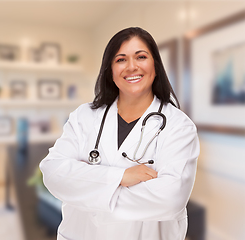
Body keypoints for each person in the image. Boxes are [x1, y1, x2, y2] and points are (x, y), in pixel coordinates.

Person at [39, 27, 200, 240]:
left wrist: (87, 188)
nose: (131, 67)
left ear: (155, 65)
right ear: (110, 70)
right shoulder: (84, 116)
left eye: (141, 57)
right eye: (121, 60)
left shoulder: (179, 126)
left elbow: (170, 198)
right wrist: (121, 177)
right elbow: (53, 172)